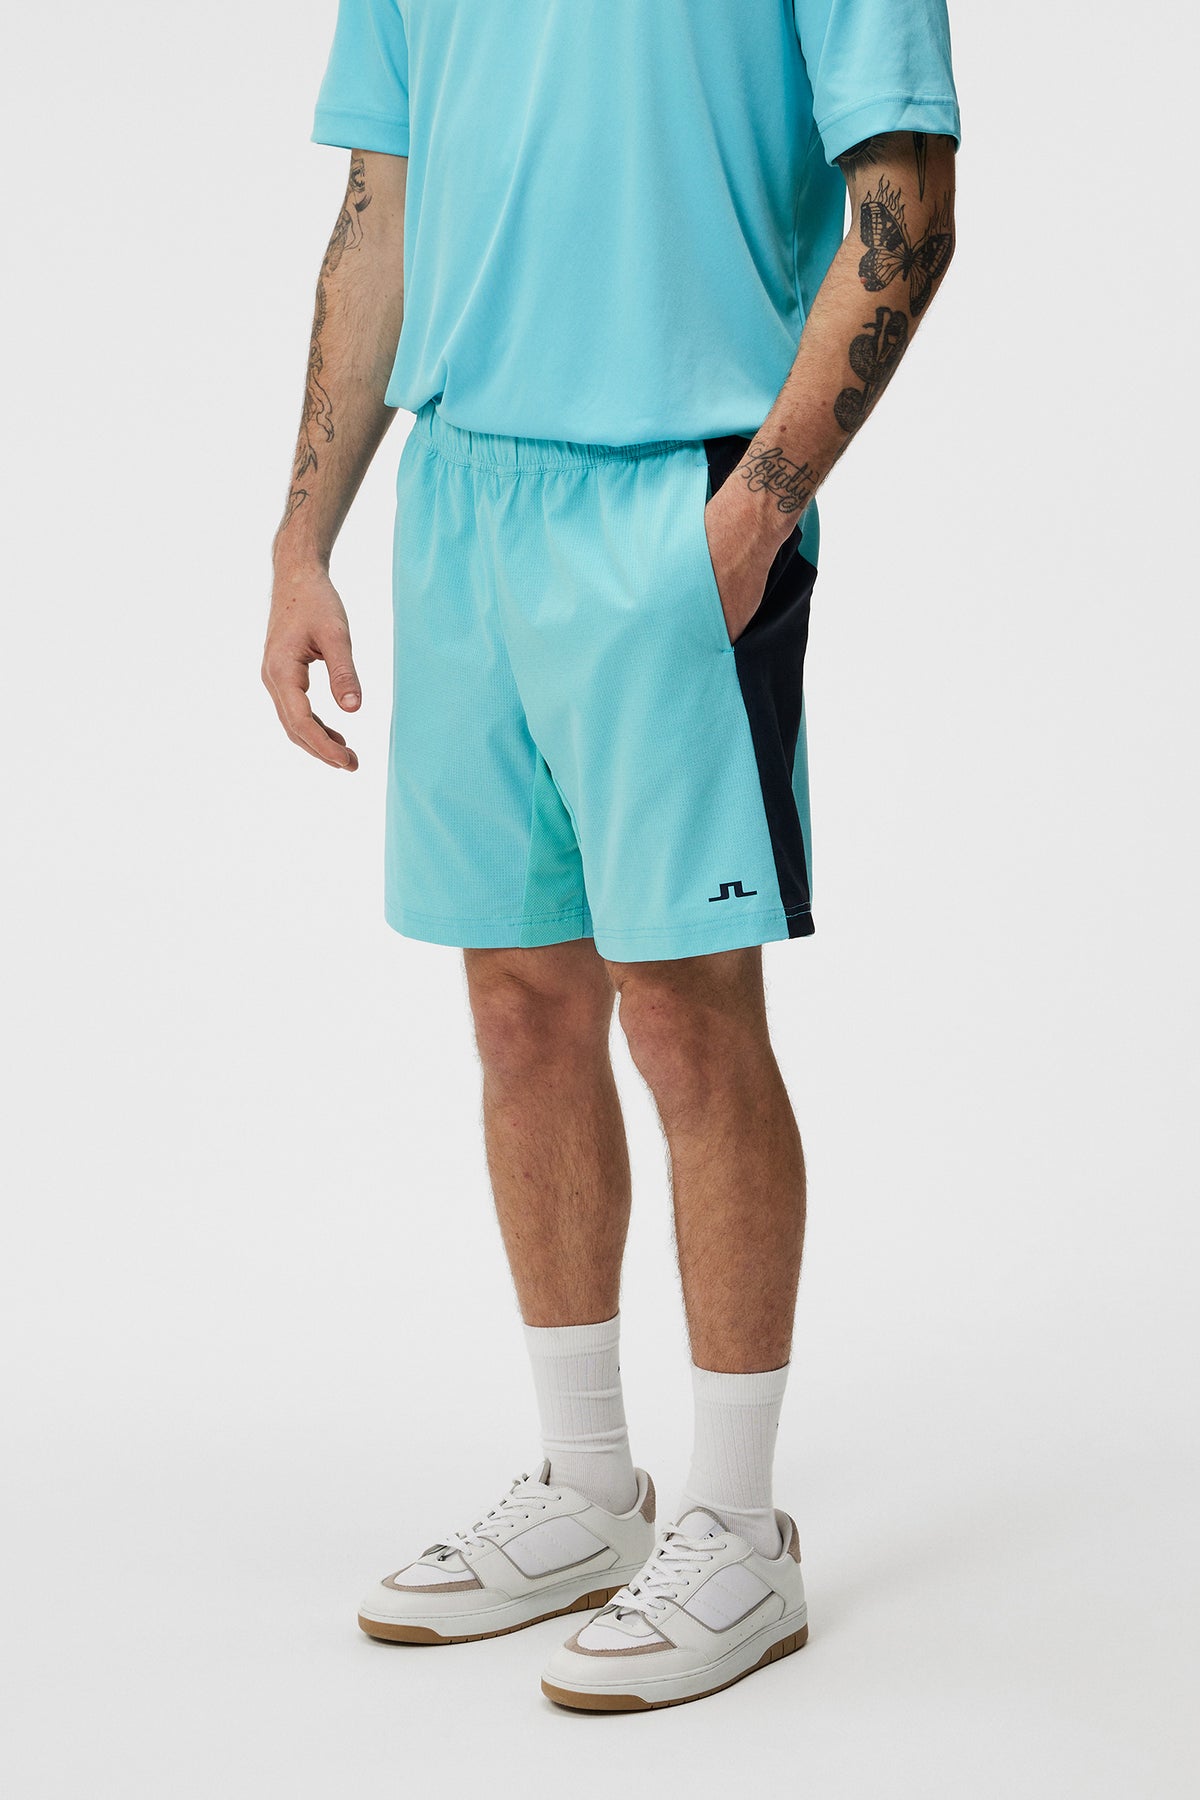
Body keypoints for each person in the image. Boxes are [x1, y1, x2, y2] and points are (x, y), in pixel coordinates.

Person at [263, 0, 959, 1713]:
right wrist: (302, 539)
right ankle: (588, 1488)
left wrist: (757, 509)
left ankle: (737, 1528)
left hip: (679, 491)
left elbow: (907, 199)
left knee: (687, 1011)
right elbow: (380, 206)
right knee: (518, 1006)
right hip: (463, 495)